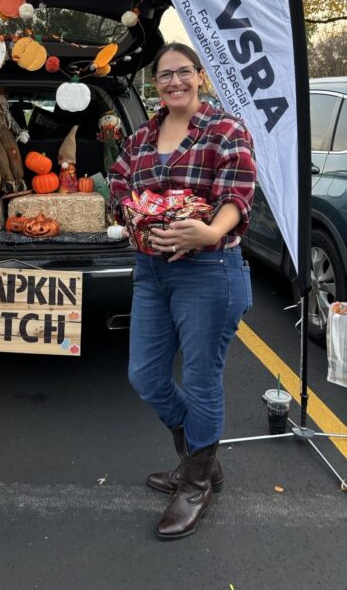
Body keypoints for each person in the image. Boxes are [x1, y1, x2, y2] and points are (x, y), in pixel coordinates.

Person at [107, 42, 255, 540]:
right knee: (145, 374)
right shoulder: (143, 135)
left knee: (200, 378)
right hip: (152, 269)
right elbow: (120, 184)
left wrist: (211, 231)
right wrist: (135, 214)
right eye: (165, 75)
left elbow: (238, 192)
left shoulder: (225, 129)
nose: (174, 82)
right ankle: (200, 456)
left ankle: (194, 483)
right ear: (156, 83)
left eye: (183, 73)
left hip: (209, 269)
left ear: (199, 76)